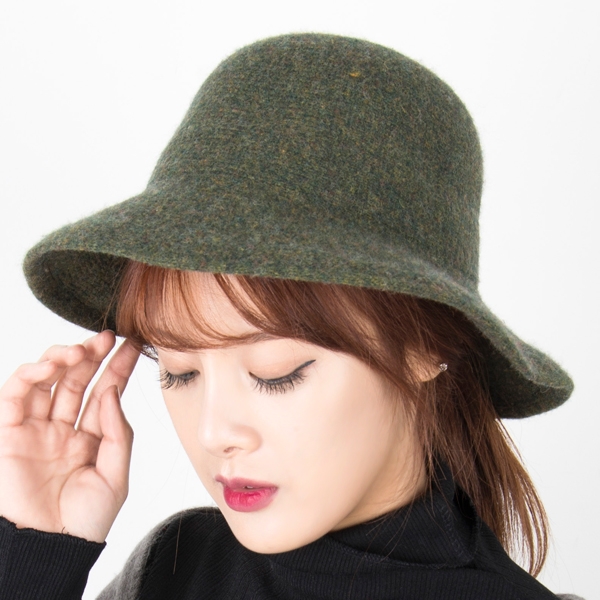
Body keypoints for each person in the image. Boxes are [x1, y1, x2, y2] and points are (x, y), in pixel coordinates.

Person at [0, 33, 584, 599]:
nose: (213, 433)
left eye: (275, 373)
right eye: (179, 371)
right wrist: (36, 556)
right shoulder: (175, 568)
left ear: (427, 346)